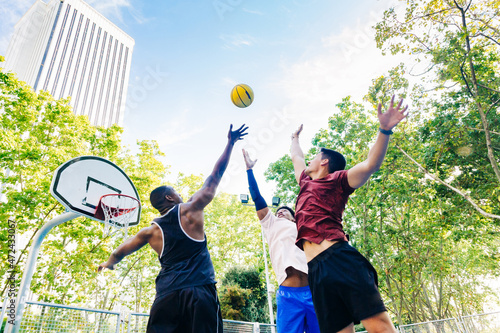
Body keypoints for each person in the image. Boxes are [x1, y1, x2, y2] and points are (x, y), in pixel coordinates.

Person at [98, 124, 248, 333]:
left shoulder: (149, 232)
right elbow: (215, 176)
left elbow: (118, 252)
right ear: (169, 197)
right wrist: (230, 143)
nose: (180, 195)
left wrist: (109, 264)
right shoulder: (189, 210)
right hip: (198, 292)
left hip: (166, 296)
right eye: (176, 192)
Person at [290, 96, 408, 333]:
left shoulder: (339, 180)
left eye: (315, 155)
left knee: (379, 328)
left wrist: (384, 130)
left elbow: (370, 165)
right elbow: (296, 157)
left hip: (339, 259)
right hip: (316, 271)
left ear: (324, 162)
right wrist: (294, 138)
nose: (309, 159)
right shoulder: (304, 182)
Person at [242, 149, 320, 333]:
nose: (280, 212)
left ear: (294, 217)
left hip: (313, 291)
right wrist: (249, 171)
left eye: (285, 210)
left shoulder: (301, 226)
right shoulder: (271, 224)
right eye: (278, 211)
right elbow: (257, 198)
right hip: (288, 295)